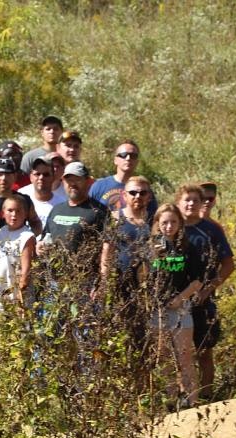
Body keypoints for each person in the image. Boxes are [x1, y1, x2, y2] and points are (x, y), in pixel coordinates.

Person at [143, 204, 203, 406]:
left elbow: (198, 280)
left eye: (173, 222)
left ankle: (192, 401)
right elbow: (140, 275)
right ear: (157, 224)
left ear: (180, 223)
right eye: (164, 222)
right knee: (164, 357)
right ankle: (170, 402)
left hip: (180, 308)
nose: (169, 226)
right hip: (157, 309)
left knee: (184, 356)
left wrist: (181, 298)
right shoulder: (149, 246)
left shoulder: (187, 247)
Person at [179, 183, 234, 399]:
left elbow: (228, 265)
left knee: (204, 351)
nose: (191, 204)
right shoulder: (171, 225)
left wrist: (208, 289)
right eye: (187, 200)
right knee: (179, 353)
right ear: (178, 202)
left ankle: (206, 397)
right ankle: (183, 397)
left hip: (202, 300)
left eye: (196, 200)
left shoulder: (211, 230)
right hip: (174, 301)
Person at [100, 175, 154, 347]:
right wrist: (104, 282)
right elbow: (107, 252)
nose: (138, 196)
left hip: (146, 289)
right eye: (133, 192)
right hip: (119, 285)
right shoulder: (116, 219)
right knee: (118, 334)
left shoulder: (154, 221)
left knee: (142, 337)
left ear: (149, 196)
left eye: (142, 193)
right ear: (124, 195)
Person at [40, 161, 109, 282]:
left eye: (77, 179)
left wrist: (101, 282)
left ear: (88, 182)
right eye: (68, 180)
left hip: (83, 282)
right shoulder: (56, 209)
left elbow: (107, 250)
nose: (72, 184)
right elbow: (45, 237)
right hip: (52, 282)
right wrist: (39, 246)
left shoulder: (99, 211)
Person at [0, 195, 36, 313]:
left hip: (16, 293)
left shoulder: (26, 236)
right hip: (0, 290)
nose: (14, 215)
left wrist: (20, 298)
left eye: (18, 211)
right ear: (3, 213)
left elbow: (26, 270)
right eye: (10, 210)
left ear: (25, 214)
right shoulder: (0, 233)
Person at [90, 140, 158, 214]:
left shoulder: (143, 189)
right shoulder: (99, 186)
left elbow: (153, 218)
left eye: (133, 156)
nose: (128, 158)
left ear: (137, 161)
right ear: (115, 160)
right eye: (123, 155)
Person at [19, 156, 63, 228]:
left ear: (53, 177)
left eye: (46, 175)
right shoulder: (21, 196)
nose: (41, 177)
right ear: (30, 177)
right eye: (37, 174)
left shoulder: (61, 204)